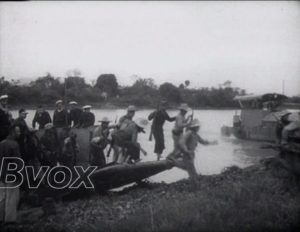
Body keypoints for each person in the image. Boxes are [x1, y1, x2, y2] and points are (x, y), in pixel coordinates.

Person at [170, 119, 218, 186]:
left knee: (188, 169)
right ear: (195, 127)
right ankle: (195, 186)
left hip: (191, 155)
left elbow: (203, 142)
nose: (199, 128)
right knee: (192, 172)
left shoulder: (196, 135)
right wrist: (186, 150)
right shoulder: (189, 133)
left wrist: (212, 142)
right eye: (198, 127)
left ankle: (174, 162)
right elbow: (181, 142)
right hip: (187, 154)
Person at [0, 124, 21, 223]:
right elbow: (17, 162)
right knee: (12, 197)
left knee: (2, 196)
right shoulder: (14, 144)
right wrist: (19, 174)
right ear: (12, 132)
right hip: (12, 174)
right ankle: (10, 219)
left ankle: (1, 217)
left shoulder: (1, 143)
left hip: (2, 173)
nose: (19, 133)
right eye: (18, 131)